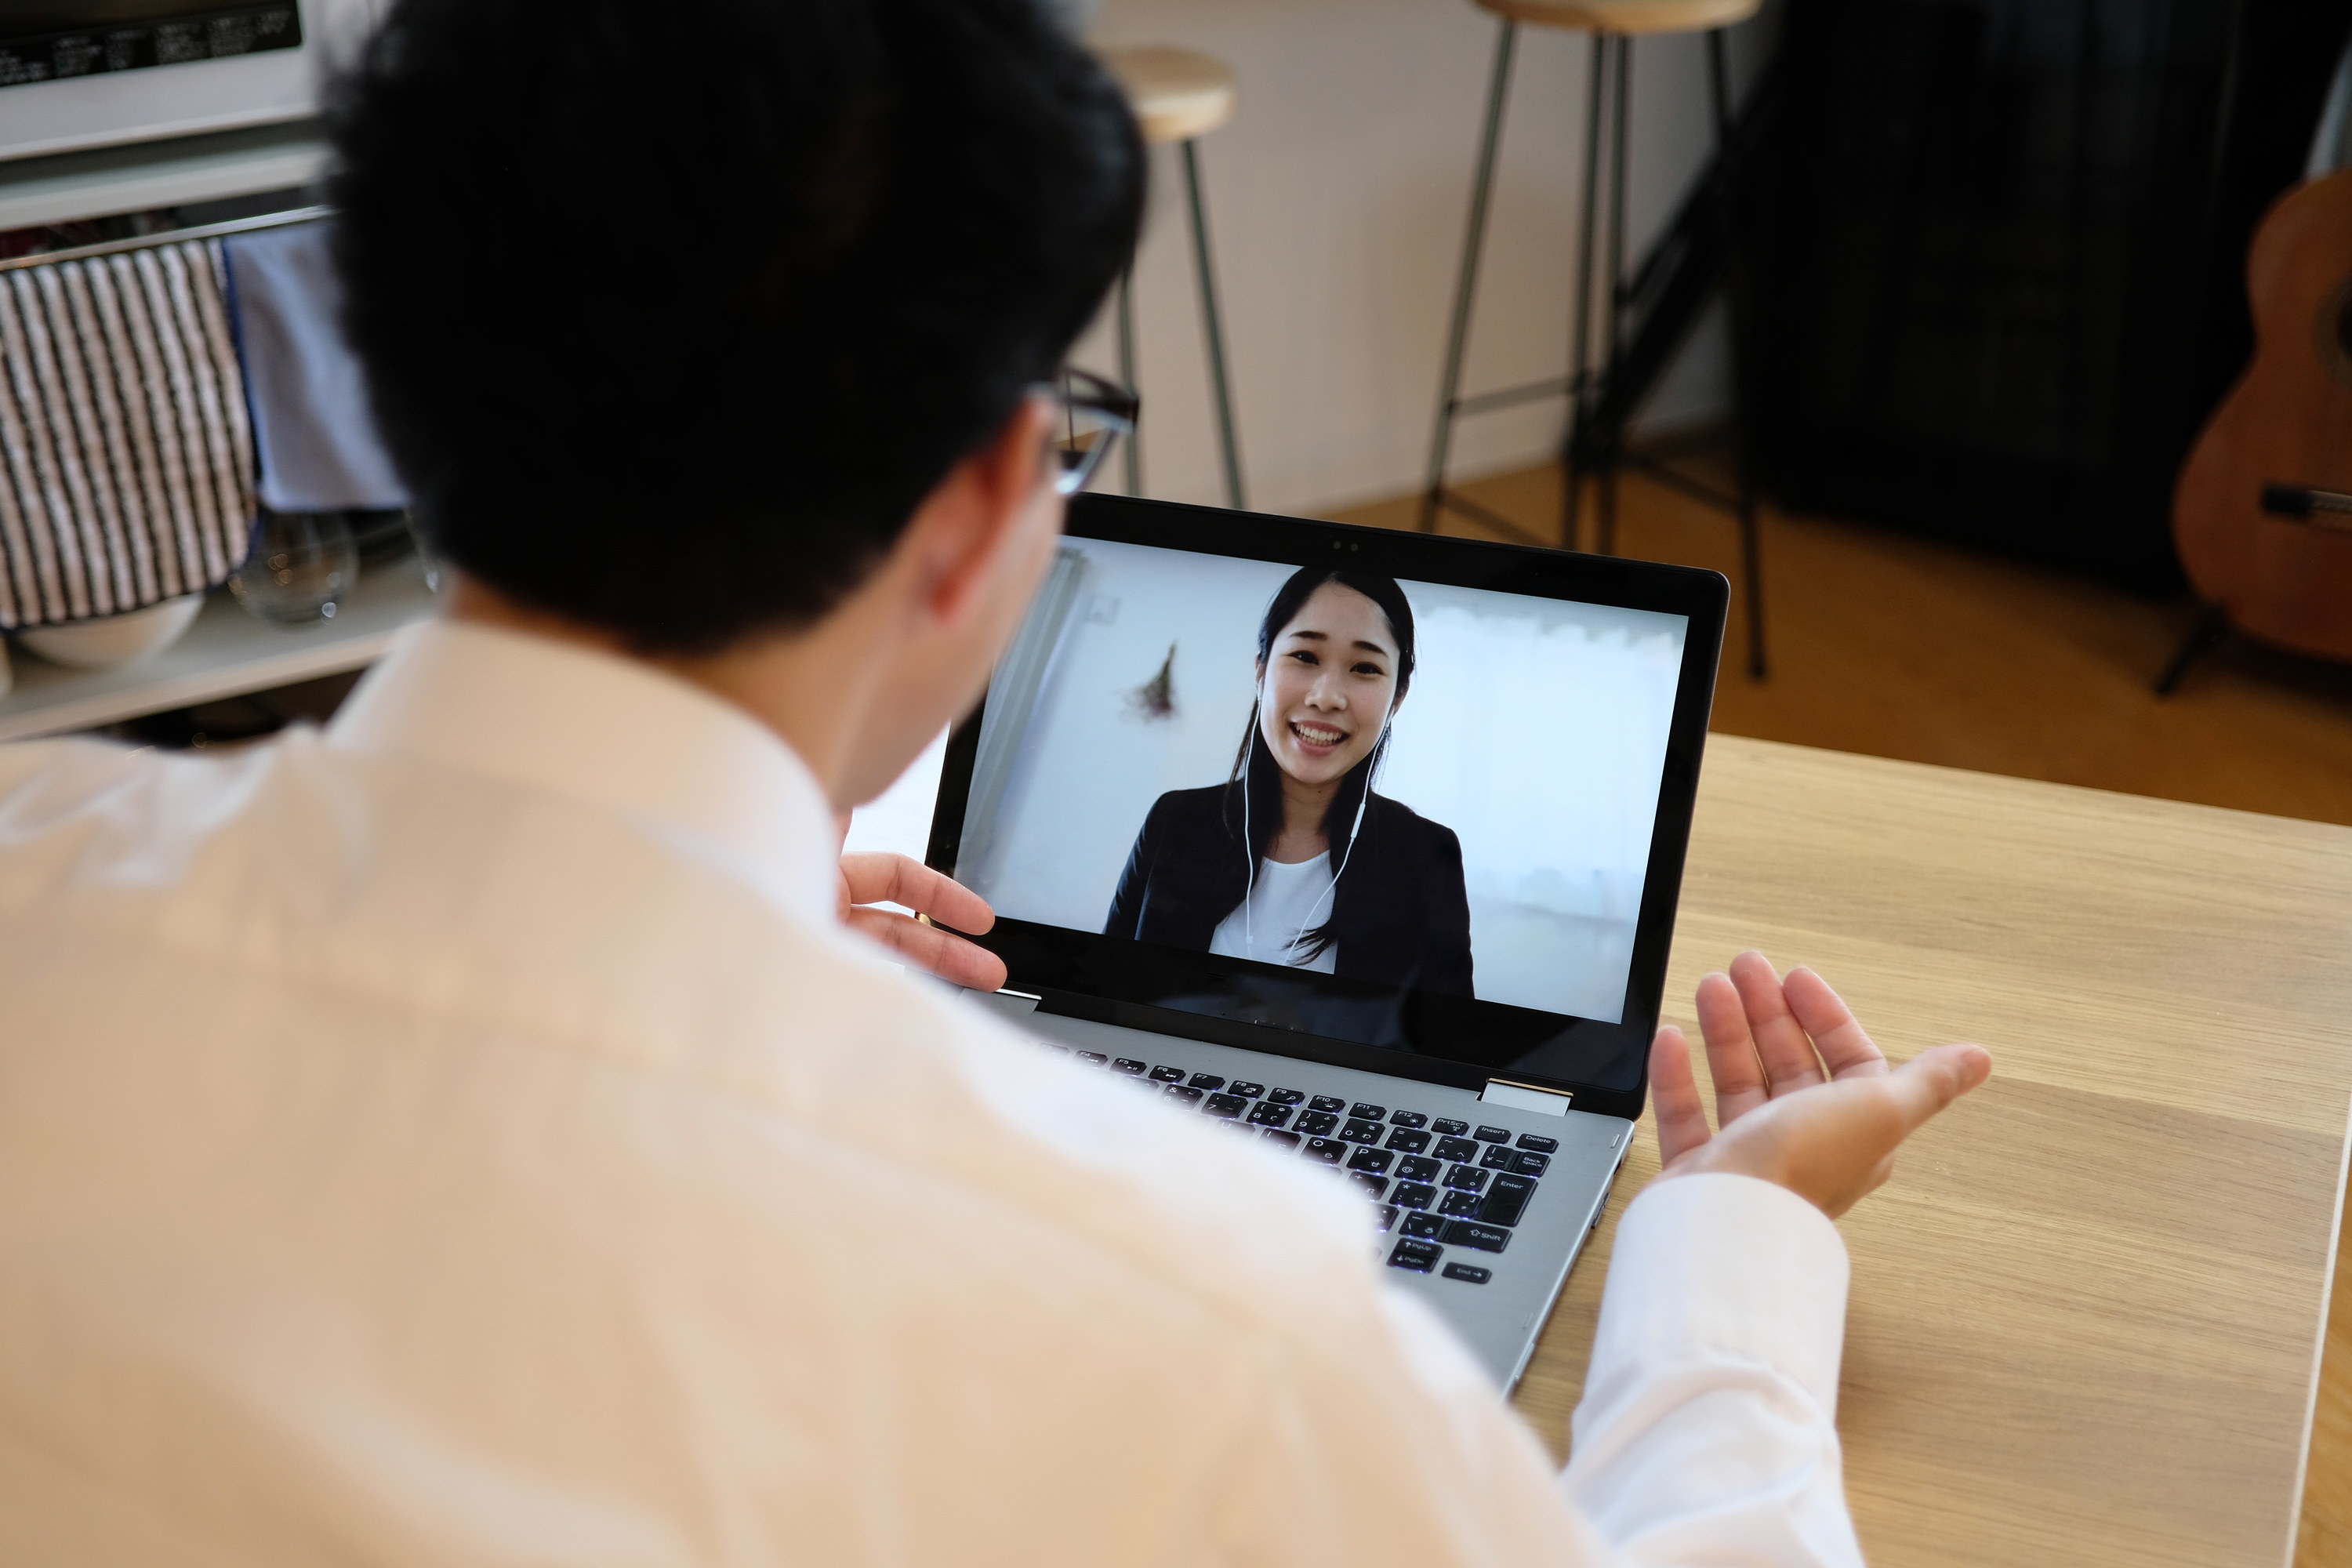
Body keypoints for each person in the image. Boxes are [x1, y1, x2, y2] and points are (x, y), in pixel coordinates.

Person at [0, 0, 1992, 1561]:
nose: (1319, 687)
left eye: (1355, 663)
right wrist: (1724, 1238)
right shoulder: (1210, 1307)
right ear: (975, 510)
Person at [1104, 566, 1475, 994]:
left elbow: (1442, 1044)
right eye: (1305, 657)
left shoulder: (1427, 856)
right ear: (1260, 671)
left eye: (1365, 667)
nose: (1326, 696)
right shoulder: (1175, 819)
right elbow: (1103, 990)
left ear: (1397, 698)